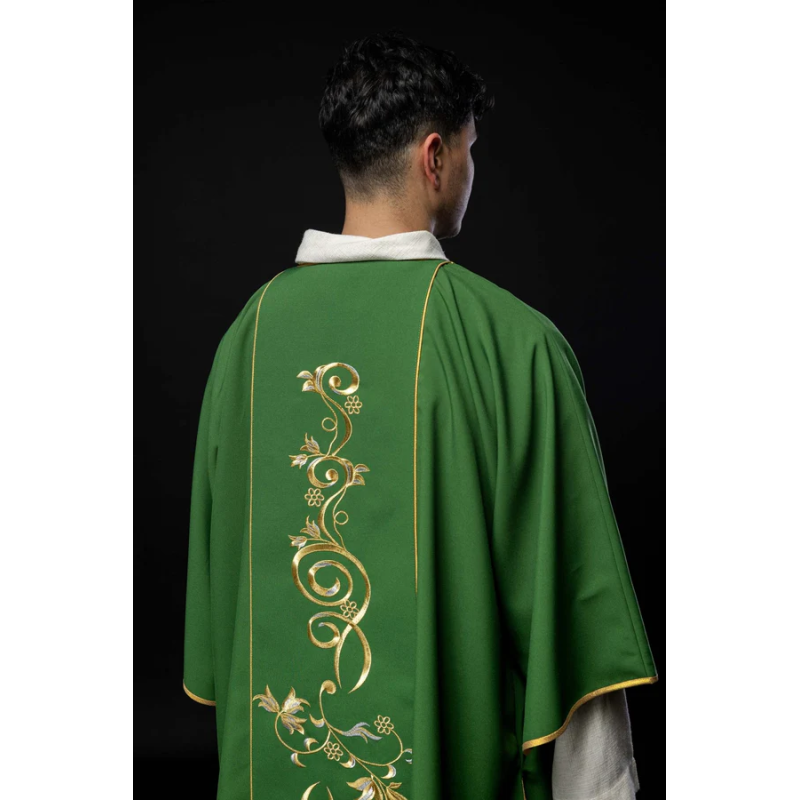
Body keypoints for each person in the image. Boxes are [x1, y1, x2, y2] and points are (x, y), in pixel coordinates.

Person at [182, 31, 658, 800]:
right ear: (435, 157)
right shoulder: (515, 344)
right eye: (472, 150)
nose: (473, 171)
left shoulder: (247, 338)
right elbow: (572, 624)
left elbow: (221, 615)